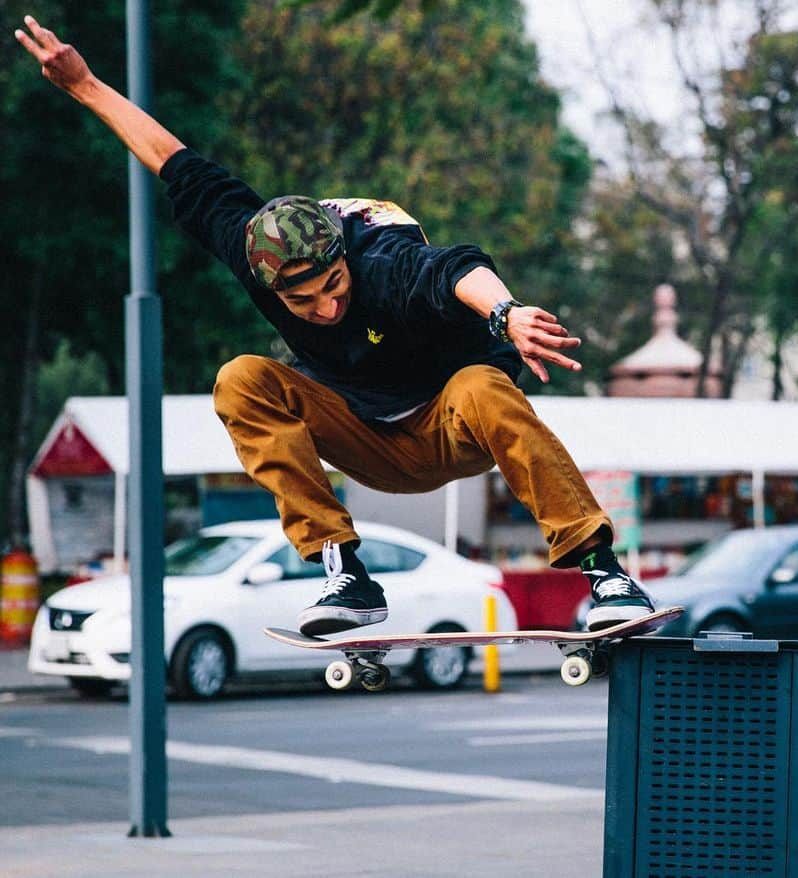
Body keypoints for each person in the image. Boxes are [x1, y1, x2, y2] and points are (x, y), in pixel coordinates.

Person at [15, 15, 654, 636]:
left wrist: (506, 313)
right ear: (268, 283)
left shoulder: (379, 260)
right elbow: (173, 160)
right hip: (362, 435)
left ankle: (605, 574)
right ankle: (345, 574)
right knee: (241, 379)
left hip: (453, 425)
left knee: (485, 387)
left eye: (333, 288)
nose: (325, 309)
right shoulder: (246, 244)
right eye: (304, 303)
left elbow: (453, 267)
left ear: (343, 260)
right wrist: (82, 84)